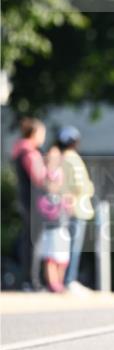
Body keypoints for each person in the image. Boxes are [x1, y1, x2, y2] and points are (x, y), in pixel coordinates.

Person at [57, 125, 95, 294]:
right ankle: (69, 280)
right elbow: (80, 185)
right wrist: (90, 188)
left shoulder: (60, 158)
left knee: (65, 247)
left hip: (64, 206)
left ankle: (65, 279)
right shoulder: (73, 159)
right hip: (77, 207)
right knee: (74, 247)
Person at [11, 117, 46, 290]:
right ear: (34, 133)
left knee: (29, 240)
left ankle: (29, 279)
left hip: (26, 200)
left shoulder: (20, 150)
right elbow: (39, 178)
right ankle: (32, 280)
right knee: (33, 242)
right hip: (33, 201)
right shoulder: (30, 153)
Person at [38, 145, 71, 293]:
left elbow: (63, 191)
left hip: (61, 220)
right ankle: (53, 283)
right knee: (50, 254)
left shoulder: (61, 173)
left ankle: (60, 282)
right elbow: (48, 188)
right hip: (49, 221)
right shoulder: (43, 174)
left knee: (63, 255)